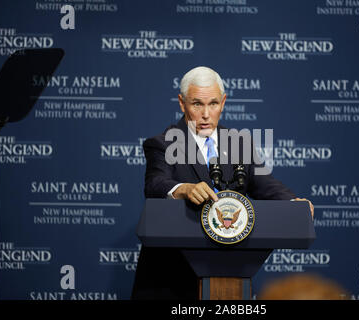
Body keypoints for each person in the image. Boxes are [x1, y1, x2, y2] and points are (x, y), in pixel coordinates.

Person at [131, 66, 314, 300]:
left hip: (229, 267)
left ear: (223, 102)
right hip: (171, 278)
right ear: (182, 103)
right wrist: (183, 189)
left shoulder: (239, 143)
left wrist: (293, 203)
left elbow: (265, 184)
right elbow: (155, 183)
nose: (206, 114)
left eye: (213, 103)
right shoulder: (163, 143)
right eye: (197, 104)